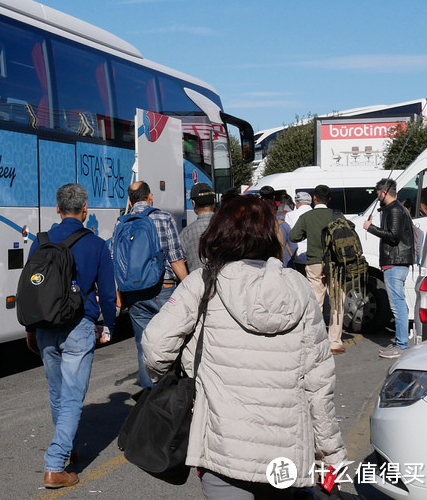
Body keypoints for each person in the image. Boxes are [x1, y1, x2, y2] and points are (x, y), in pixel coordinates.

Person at [142, 195, 349, 498]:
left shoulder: (203, 282)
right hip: (285, 453)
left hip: (222, 447)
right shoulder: (299, 288)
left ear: (221, 232)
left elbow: (156, 346)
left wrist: (188, 374)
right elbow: (318, 385)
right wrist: (332, 457)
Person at [25, 183, 116, 489]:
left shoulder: (41, 242)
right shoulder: (97, 244)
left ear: (58, 209)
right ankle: (54, 465)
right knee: (73, 397)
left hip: (46, 327)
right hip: (79, 326)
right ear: (85, 210)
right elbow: (106, 291)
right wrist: (109, 326)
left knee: (58, 392)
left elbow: (31, 290)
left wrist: (31, 329)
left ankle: (70, 444)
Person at [119, 181, 188, 389]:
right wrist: (188, 286)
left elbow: (119, 262)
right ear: (150, 197)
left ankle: (150, 398)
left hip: (135, 294)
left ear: (130, 201)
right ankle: (173, 393)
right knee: (172, 342)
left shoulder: (121, 223)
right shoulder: (163, 218)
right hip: (163, 288)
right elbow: (175, 258)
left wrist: (120, 293)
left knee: (143, 345)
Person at [289, 185, 345, 354]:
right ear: (329, 199)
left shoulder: (307, 216)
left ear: (314, 198)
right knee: (337, 302)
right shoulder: (337, 215)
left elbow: (293, 236)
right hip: (335, 262)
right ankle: (335, 342)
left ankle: (314, 340)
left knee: (316, 301)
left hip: (314, 261)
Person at [364, 178, 415, 359]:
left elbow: (393, 237)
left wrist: (371, 228)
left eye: (378, 192)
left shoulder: (394, 210)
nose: (377, 195)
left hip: (395, 262)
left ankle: (402, 345)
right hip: (397, 262)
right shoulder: (397, 209)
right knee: (399, 304)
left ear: (384, 192)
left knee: (397, 305)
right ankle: (400, 341)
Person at [180, 183, 216, 274]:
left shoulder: (186, 233)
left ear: (194, 203)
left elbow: (177, 260)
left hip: (197, 285)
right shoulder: (227, 227)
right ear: (214, 201)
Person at [285, 191, 313, 273]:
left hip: (298, 255)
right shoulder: (317, 214)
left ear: (297, 203)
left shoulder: (290, 215)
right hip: (315, 256)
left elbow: (289, 236)